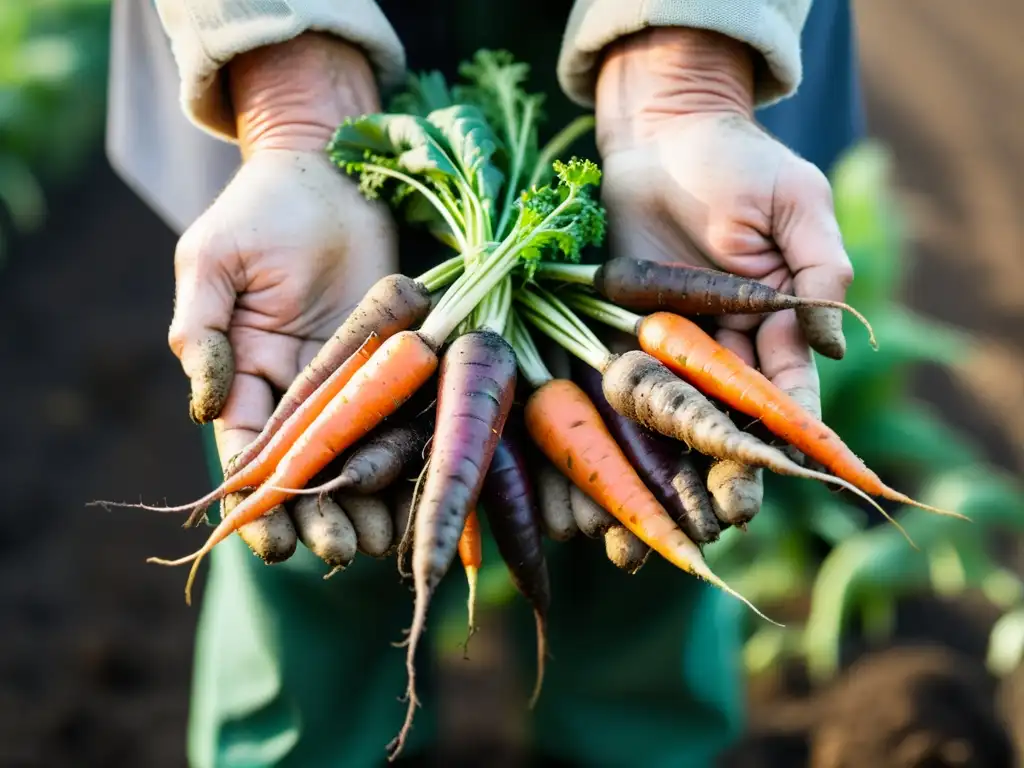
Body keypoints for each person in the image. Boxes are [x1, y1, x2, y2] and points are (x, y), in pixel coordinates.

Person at [106, 1, 865, 765]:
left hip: (688, 80)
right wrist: (292, 105)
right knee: (321, 487)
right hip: (285, 61)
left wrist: (688, 78)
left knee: (661, 479)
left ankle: (635, 739)